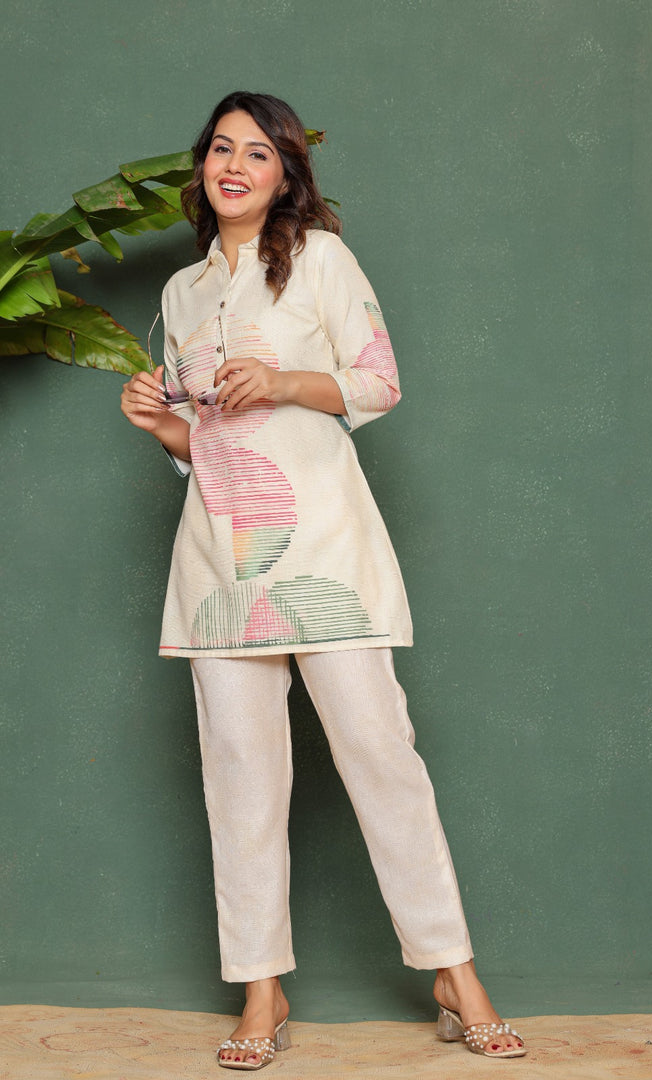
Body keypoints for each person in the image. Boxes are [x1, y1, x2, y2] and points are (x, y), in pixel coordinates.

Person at [120, 91, 526, 1071]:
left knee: (382, 755)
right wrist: (162, 423)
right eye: (222, 148)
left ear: (285, 174)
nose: (235, 165)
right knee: (241, 779)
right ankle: (261, 990)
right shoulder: (181, 294)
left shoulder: (321, 260)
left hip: (327, 552)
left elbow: (379, 381)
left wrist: (286, 381)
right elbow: (208, 446)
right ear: (202, 165)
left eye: (257, 153)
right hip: (222, 568)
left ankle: (454, 972)